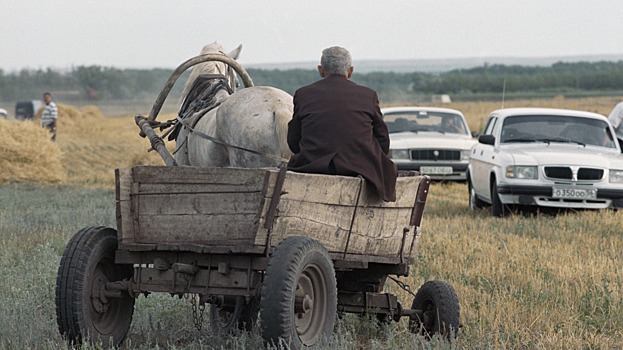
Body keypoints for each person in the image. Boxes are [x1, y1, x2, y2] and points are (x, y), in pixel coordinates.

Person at [287, 46, 397, 202]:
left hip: (312, 167)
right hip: (361, 169)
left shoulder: (303, 94)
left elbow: (293, 141)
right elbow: (383, 142)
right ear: (350, 71)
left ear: (320, 70)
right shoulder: (368, 96)